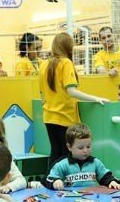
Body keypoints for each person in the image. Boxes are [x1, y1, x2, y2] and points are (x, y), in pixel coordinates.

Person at [38, 32, 110, 169]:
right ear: (67, 47)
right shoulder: (66, 63)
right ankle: (65, 182)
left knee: (55, 151)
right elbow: (71, 91)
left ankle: (51, 180)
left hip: (48, 116)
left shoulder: (43, 65)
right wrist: (95, 98)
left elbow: (42, 94)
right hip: (65, 116)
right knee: (66, 153)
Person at [45, 123, 120, 191]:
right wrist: (55, 182)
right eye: (80, 148)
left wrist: (112, 182)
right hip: (70, 201)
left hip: (92, 200)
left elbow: (106, 177)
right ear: (69, 147)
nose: (85, 150)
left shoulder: (95, 163)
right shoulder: (62, 165)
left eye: (88, 147)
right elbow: (49, 179)